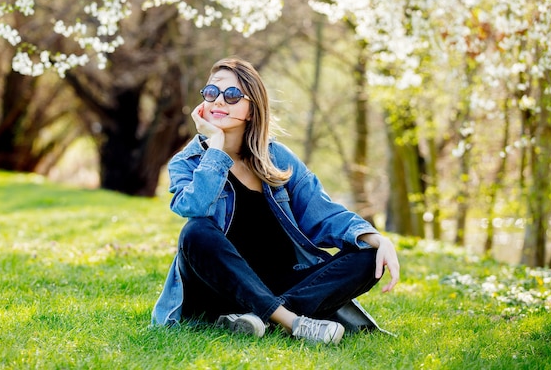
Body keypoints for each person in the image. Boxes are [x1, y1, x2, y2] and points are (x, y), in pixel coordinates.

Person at [152, 57, 400, 344]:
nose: (219, 101)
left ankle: (260, 319)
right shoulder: (187, 162)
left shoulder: (277, 157)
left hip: (280, 282)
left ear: (251, 109)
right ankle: (292, 321)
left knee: (369, 256)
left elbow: (323, 213)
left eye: (232, 95)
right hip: (220, 287)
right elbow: (195, 207)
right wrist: (216, 147)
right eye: (211, 93)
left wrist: (376, 239)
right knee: (196, 232)